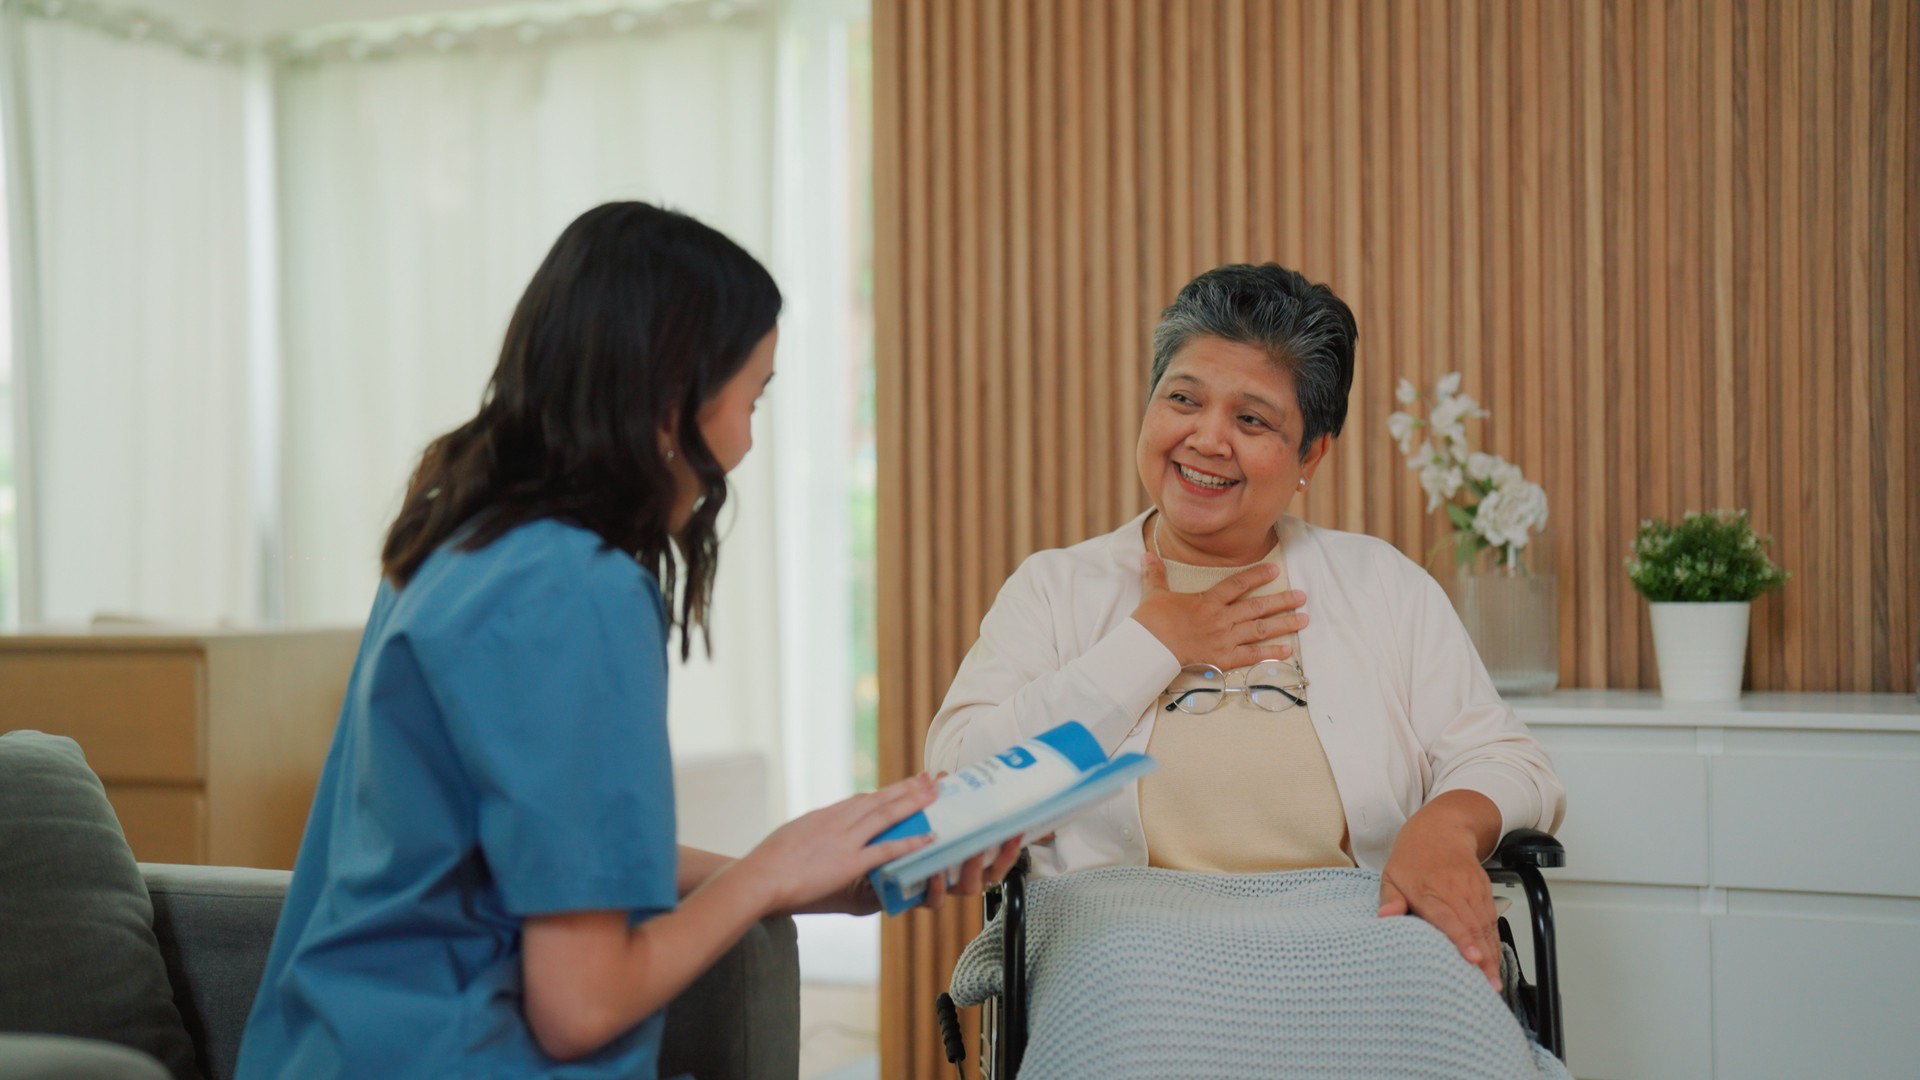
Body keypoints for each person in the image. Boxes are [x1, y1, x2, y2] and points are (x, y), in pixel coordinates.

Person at [237, 202, 1012, 1078]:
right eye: (751, 400)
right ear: (671, 398)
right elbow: (581, 1005)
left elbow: (537, 849)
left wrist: (802, 871)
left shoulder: (451, 535)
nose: (748, 442)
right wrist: (766, 876)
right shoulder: (583, 591)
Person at [927, 262, 1565, 995]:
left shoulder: (1381, 586)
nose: (1207, 438)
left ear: (1310, 455)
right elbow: (960, 786)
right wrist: (1151, 645)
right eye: (1183, 400)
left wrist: (1446, 827)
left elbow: (1511, 761)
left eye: (1252, 419)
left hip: (1359, 945)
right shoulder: (1055, 590)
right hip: (1125, 959)